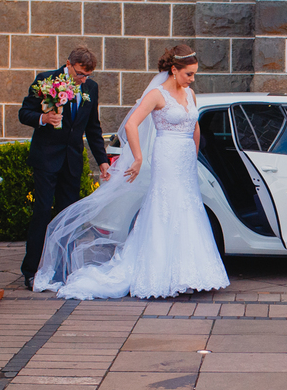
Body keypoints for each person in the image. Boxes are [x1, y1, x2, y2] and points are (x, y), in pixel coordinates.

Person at [33, 44, 229, 300]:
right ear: (174, 70)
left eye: (193, 74)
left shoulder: (190, 95)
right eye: (188, 74)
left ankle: (189, 272)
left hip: (185, 160)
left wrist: (192, 156)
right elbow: (132, 125)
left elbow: (195, 127)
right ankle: (159, 273)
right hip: (166, 156)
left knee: (188, 207)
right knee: (166, 208)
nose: (192, 79)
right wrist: (138, 157)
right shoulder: (157, 95)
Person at [18, 46, 111, 290]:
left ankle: (63, 268)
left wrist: (102, 160)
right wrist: (44, 119)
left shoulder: (91, 88)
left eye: (87, 76)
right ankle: (31, 270)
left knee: (67, 216)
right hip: (46, 159)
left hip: (72, 161)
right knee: (42, 213)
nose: (83, 80)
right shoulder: (45, 80)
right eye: (80, 74)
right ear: (68, 64)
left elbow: (93, 127)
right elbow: (24, 113)